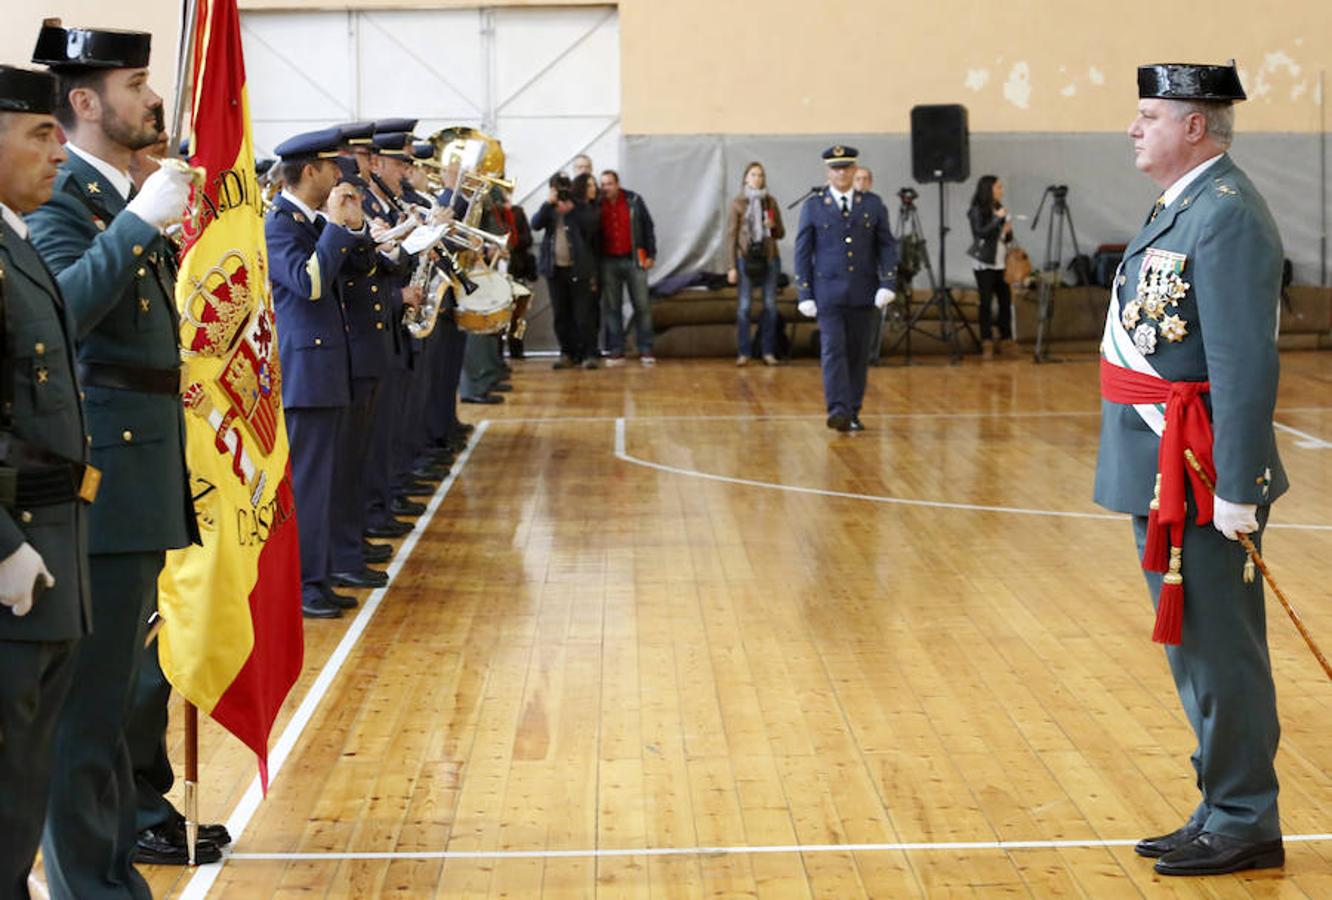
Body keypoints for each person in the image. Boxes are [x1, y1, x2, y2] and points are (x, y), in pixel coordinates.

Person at [1096, 62, 1288, 877]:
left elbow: (1247, 361)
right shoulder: (1184, 207)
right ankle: (1220, 804)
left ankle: (1247, 817)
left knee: (1221, 652)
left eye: (1149, 115)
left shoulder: (1227, 215)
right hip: (1165, 462)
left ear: (1194, 127)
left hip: (1204, 472)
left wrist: (1240, 487)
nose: (1135, 129)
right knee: (1197, 655)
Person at [28, 22, 201, 898]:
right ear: (86, 103)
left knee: (109, 709)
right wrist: (137, 221)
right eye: (136, 82)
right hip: (98, 490)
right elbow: (65, 315)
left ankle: (105, 882)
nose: (155, 97)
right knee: (85, 722)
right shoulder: (62, 206)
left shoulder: (112, 200)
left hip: (134, 487)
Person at [0, 63, 94, 898]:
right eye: (38, 133)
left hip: (53, 549)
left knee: (23, 785)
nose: (58, 149)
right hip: (14, 565)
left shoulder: (16, 241)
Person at [264, 126, 369, 619]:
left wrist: (351, 226)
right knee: (308, 485)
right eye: (332, 168)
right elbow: (308, 283)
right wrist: (332, 227)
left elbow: (355, 270)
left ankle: (319, 575)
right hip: (305, 373)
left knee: (325, 482)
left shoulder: (307, 220)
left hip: (326, 368)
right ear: (310, 172)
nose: (338, 176)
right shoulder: (279, 224)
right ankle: (304, 584)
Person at [794, 145, 897, 432]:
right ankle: (837, 409)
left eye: (846, 168)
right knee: (832, 350)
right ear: (828, 173)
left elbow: (887, 246)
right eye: (836, 168)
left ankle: (853, 410)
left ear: (854, 171)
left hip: (863, 291)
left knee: (857, 353)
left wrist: (887, 282)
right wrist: (804, 292)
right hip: (827, 293)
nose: (841, 173)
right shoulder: (814, 206)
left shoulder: (872, 205)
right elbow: (803, 251)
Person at [533, 172, 600, 368]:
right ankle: (567, 353)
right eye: (557, 188)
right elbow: (535, 225)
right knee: (561, 315)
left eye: (564, 187)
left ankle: (588, 354)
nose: (561, 191)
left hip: (579, 268)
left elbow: (592, 225)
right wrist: (548, 204)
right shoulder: (549, 209)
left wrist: (572, 209)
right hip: (555, 270)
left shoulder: (579, 206)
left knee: (583, 315)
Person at [725, 161, 785, 366]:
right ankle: (744, 352)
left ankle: (768, 351)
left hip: (769, 258)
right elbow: (731, 237)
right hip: (746, 259)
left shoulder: (770, 202)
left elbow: (781, 234)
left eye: (760, 175)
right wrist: (731, 266)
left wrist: (773, 225)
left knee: (770, 305)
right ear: (745, 178)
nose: (757, 179)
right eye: (753, 175)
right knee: (744, 307)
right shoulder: (738, 203)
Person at [597, 170, 657, 366]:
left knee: (642, 305)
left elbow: (648, 226)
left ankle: (646, 349)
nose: (606, 188)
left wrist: (651, 254)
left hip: (634, 260)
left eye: (609, 184)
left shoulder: (634, 200)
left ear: (617, 184)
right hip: (607, 262)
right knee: (612, 308)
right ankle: (616, 350)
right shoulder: (596, 204)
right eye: (603, 184)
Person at [966, 174, 1014, 359]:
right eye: (998, 187)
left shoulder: (999, 208)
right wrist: (996, 220)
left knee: (1005, 301)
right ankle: (986, 340)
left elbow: (1004, 237)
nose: (1001, 191)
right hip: (984, 262)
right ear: (989, 190)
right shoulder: (977, 210)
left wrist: (1007, 230)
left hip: (1001, 261)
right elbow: (980, 232)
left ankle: (1006, 339)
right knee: (986, 302)